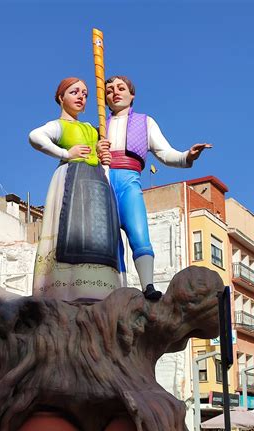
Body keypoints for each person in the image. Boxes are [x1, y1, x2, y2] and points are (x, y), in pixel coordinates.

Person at [97, 76, 212, 300]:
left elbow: (165, 153)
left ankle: (147, 285)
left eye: (121, 88)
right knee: (109, 243)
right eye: (109, 90)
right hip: (105, 183)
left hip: (130, 181)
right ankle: (115, 288)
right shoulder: (100, 127)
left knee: (139, 233)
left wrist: (187, 156)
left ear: (132, 95)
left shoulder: (144, 122)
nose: (115, 93)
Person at [29, 77, 121, 302]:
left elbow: (98, 153)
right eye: (75, 92)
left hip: (95, 184)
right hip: (72, 180)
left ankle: (97, 286)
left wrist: (100, 153)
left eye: (85, 94)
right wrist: (65, 154)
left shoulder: (90, 128)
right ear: (61, 97)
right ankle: (66, 286)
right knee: (71, 231)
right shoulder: (59, 125)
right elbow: (35, 136)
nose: (81, 97)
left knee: (96, 233)